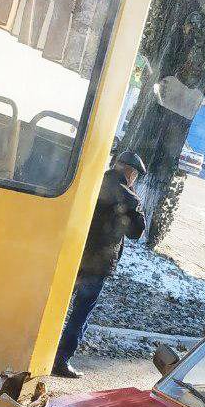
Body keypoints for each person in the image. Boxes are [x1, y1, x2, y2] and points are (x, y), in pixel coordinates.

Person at [52, 151, 146, 378]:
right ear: (130, 173)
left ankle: (39, 349)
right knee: (80, 313)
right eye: (135, 175)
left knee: (55, 304)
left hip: (74, 255)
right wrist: (135, 202)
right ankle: (61, 359)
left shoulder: (93, 180)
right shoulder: (129, 198)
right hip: (97, 265)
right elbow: (136, 232)